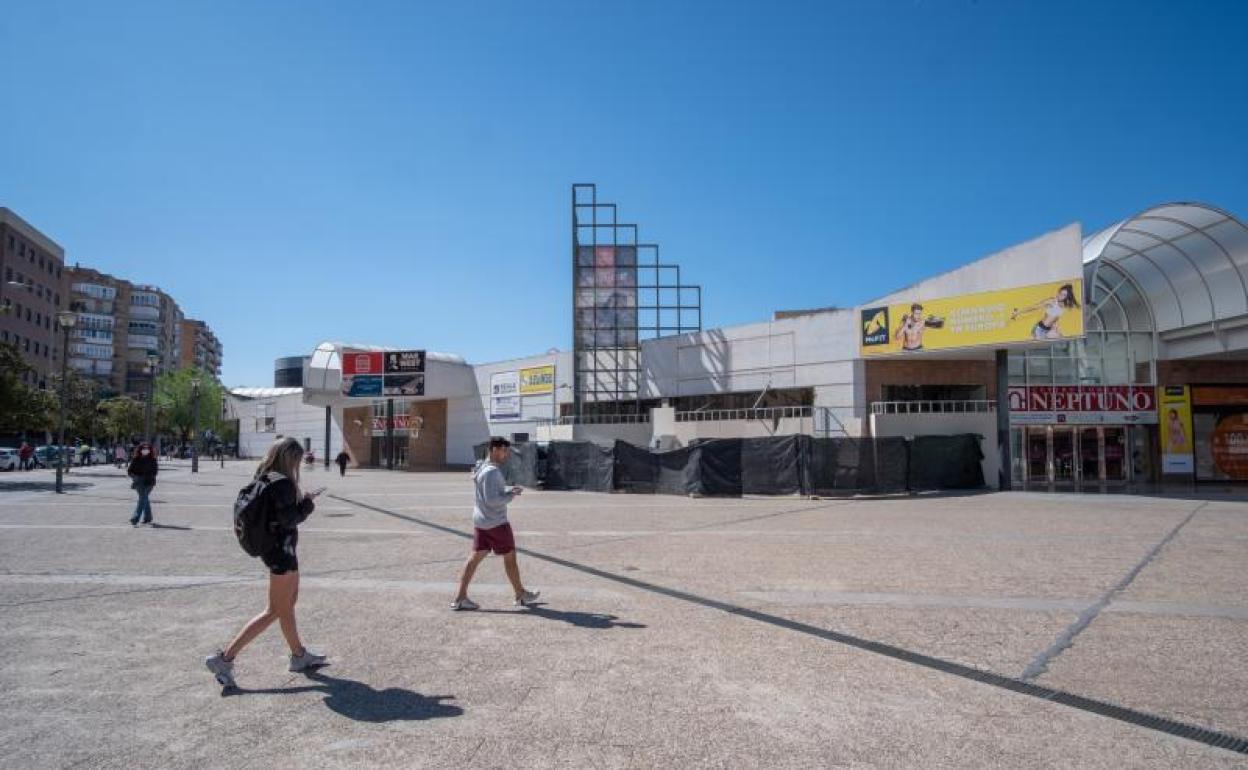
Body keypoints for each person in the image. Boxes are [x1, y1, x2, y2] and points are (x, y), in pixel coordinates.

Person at [204, 437, 328, 689]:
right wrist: (307, 504)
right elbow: (289, 518)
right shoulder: (281, 483)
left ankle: (299, 655)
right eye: (298, 460)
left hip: (278, 550)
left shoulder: (264, 477)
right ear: (290, 458)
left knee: (288, 605)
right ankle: (225, 658)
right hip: (280, 553)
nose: (299, 465)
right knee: (275, 610)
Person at [451, 436, 539, 611]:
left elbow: (488, 493)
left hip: (481, 521)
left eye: (507, 451)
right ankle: (520, 594)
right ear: (494, 450)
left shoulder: (482, 467)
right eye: (503, 450)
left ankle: (460, 598)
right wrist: (511, 495)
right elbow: (492, 500)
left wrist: (507, 489)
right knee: (510, 557)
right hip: (496, 523)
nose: (506, 454)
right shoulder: (492, 471)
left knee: (474, 559)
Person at [1011, 283, 1080, 340]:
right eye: (1060, 293)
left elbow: (1055, 319)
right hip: (1039, 329)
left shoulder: (1063, 306)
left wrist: (1056, 328)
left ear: (1067, 297)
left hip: (1048, 330)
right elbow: (1035, 307)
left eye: (1064, 295)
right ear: (1058, 292)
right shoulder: (1052, 301)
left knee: (1064, 337)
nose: (1060, 296)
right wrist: (1018, 312)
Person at [127, 443, 158, 526]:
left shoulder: (153, 459)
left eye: (147, 448)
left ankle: (136, 518)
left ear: (150, 450)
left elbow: (155, 472)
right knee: (143, 499)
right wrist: (135, 477)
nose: (145, 450)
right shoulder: (136, 459)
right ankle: (146, 517)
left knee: (143, 499)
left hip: (149, 482)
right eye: (143, 448)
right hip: (139, 481)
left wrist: (149, 475)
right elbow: (129, 471)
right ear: (140, 450)